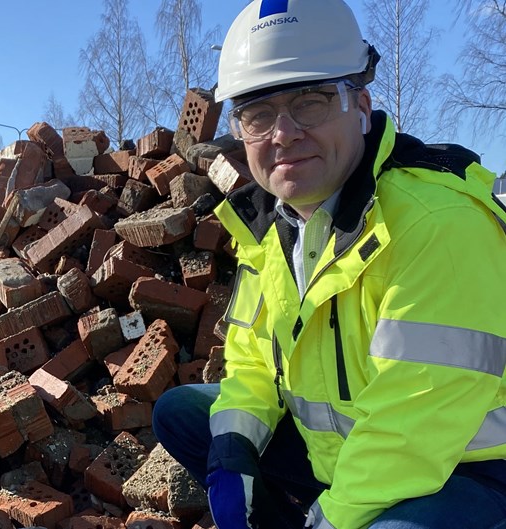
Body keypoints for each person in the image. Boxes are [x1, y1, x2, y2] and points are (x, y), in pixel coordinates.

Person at [152, 1, 506, 528]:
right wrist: (230, 455)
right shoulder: (273, 229)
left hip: (466, 469)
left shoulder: (437, 224)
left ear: (360, 105)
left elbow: (411, 424)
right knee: (184, 414)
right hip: (345, 453)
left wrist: (329, 519)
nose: (283, 133)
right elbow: (250, 364)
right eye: (258, 114)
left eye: (310, 101)